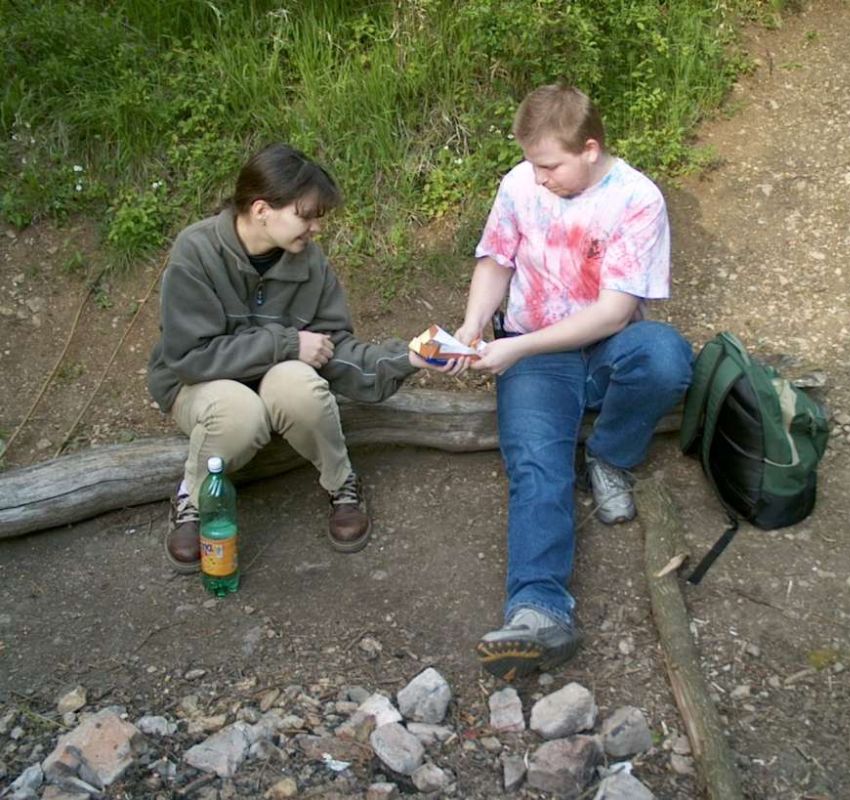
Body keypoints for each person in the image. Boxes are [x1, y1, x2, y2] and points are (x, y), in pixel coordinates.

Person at [453, 85, 694, 680]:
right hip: (536, 353)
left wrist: (516, 348)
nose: (538, 178)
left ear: (590, 149)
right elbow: (496, 261)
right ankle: (539, 611)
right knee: (537, 466)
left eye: (550, 166)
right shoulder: (520, 185)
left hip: (602, 344)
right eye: (533, 164)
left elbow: (614, 313)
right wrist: (474, 325)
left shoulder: (637, 198)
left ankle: (610, 457)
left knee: (665, 356)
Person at [148, 143, 452, 573]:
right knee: (239, 412)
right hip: (199, 384)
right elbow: (189, 357)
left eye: (317, 217)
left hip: (274, 379)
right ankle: (194, 501)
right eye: (305, 216)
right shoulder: (196, 251)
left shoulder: (310, 263)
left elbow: (333, 349)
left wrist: (408, 358)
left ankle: (341, 483)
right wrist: (287, 344)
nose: (315, 228)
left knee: (301, 386)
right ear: (261, 209)